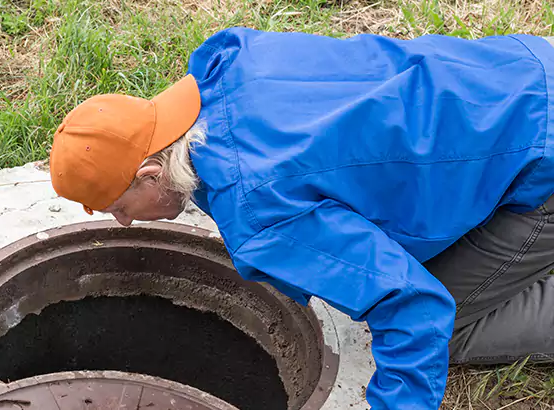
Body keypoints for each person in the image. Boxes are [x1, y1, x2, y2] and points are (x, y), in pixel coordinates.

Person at [48, 28, 554, 409]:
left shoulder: (259, 211)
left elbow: (416, 307)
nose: (124, 225)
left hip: (539, 163)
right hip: (521, 74)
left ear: (150, 173)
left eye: (119, 206)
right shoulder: (228, 67)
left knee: (453, 324)